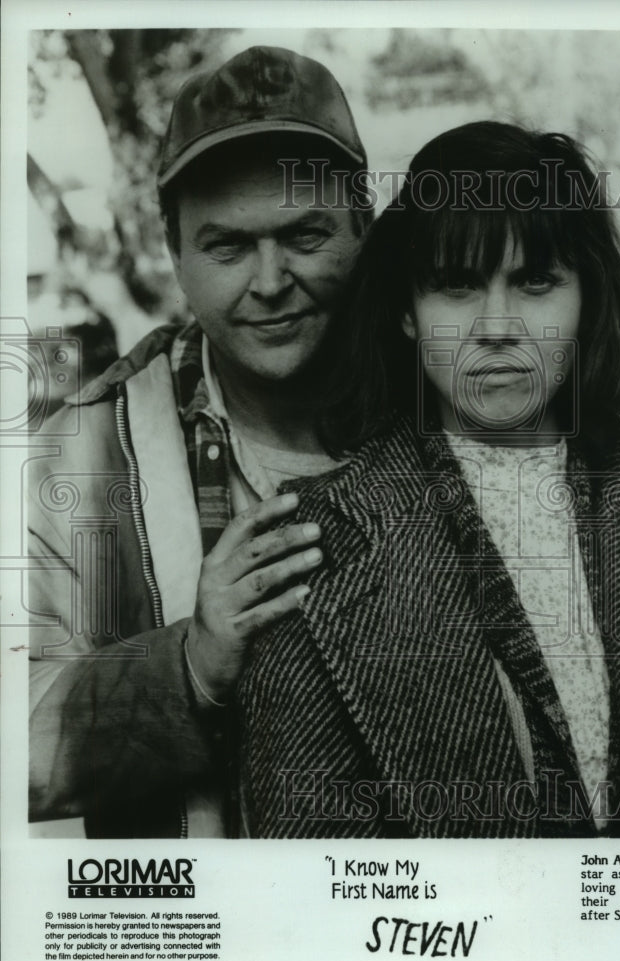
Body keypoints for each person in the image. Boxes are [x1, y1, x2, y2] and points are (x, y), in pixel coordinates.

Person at [237, 122, 620, 837]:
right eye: (456, 286)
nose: (497, 327)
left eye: (534, 282)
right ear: (406, 310)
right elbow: (314, 896)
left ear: (587, 301)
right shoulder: (312, 544)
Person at [27, 46, 371, 837]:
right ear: (175, 252)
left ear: (364, 226)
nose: (271, 279)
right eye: (227, 245)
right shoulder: (82, 453)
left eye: (306, 233)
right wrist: (189, 666)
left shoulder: (443, 407)